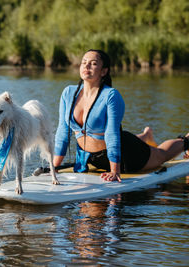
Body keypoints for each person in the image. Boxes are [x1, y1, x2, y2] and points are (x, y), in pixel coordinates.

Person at [53, 49, 189, 182]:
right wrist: (55, 166)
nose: (87, 66)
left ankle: (186, 141)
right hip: (92, 158)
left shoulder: (111, 96)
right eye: (84, 62)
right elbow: (62, 132)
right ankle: (146, 136)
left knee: (161, 155)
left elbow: (112, 134)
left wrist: (114, 171)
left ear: (104, 71)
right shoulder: (68, 93)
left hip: (125, 153)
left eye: (93, 63)